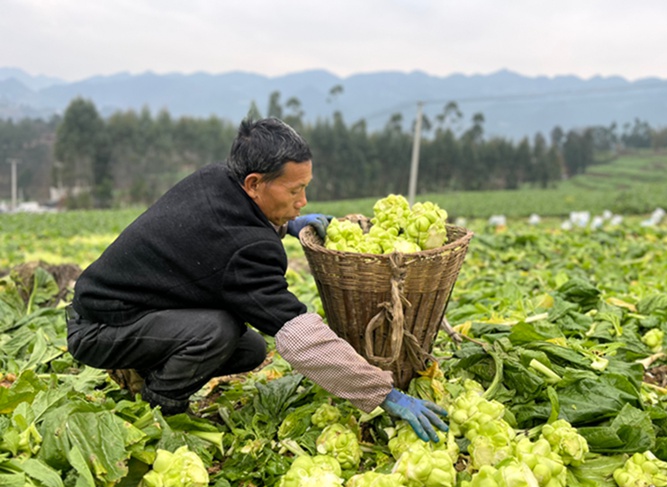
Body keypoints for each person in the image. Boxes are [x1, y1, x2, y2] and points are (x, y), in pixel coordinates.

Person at [66, 117, 448, 442]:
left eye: (305, 189)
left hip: (137, 310)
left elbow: (229, 230)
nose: (302, 200)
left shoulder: (217, 178)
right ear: (253, 183)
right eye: (295, 191)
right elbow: (300, 336)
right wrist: (384, 394)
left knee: (247, 348)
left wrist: (285, 222)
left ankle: (144, 367)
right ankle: (161, 407)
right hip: (100, 327)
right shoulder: (246, 251)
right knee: (215, 332)